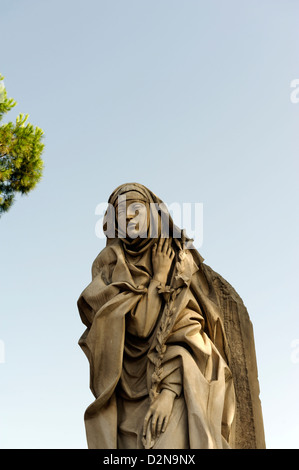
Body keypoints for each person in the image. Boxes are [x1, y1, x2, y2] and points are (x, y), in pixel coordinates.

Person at [77, 183, 236, 449]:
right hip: (123, 402)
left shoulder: (177, 261)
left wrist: (169, 391)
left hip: (174, 391)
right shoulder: (106, 269)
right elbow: (138, 327)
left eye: (136, 208)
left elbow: (189, 332)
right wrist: (157, 280)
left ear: (153, 214)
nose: (128, 216)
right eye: (120, 212)